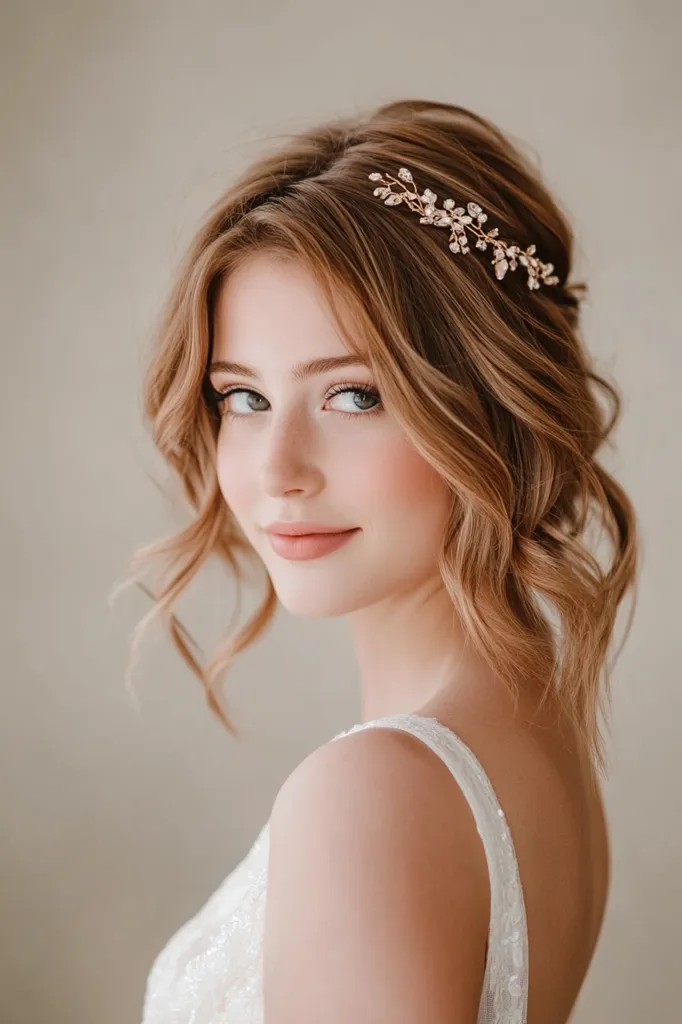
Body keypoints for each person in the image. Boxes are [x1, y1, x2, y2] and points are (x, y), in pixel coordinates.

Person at [125, 98, 639, 1023]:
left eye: (355, 396)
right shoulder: (534, 718)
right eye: (241, 398)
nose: (277, 471)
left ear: (492, 404)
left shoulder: (375, 791)